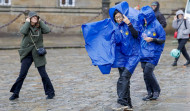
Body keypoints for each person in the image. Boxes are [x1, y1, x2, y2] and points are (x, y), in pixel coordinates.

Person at [82, 2, 140, 109]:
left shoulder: (130, 23)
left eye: (119, 17)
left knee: (124, 78)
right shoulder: (115, 27)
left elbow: (136, 35)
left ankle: (121, 101)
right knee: (125, 80)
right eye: (116, 18)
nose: (118, 19)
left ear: (123, 16)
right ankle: (128, 104)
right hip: (122, 57)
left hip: (133, 55)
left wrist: (129, 24)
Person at [9, 11, 55, 100]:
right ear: (29, 18)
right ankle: (15, 93)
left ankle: (51, 93)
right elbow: (23, 31)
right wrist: (27, 22)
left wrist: (41, 22)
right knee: (22, 74)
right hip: (27, 53)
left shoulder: (40, 26)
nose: (35, 18)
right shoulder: (26, 26)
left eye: (36, 17)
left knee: (43, 74)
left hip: (38, 53)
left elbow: (47, 30)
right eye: (33, 17)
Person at [138, 6, 166, 101]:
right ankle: (149, 93)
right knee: (146, 74)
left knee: (148, 72)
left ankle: (157, 90)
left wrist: (153, 39)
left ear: (150, 16)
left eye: (146, 17)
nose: (144, 19)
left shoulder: (157, 25)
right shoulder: (143, 26)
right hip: (143, 54)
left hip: (153, 53)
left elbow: (162, 39)